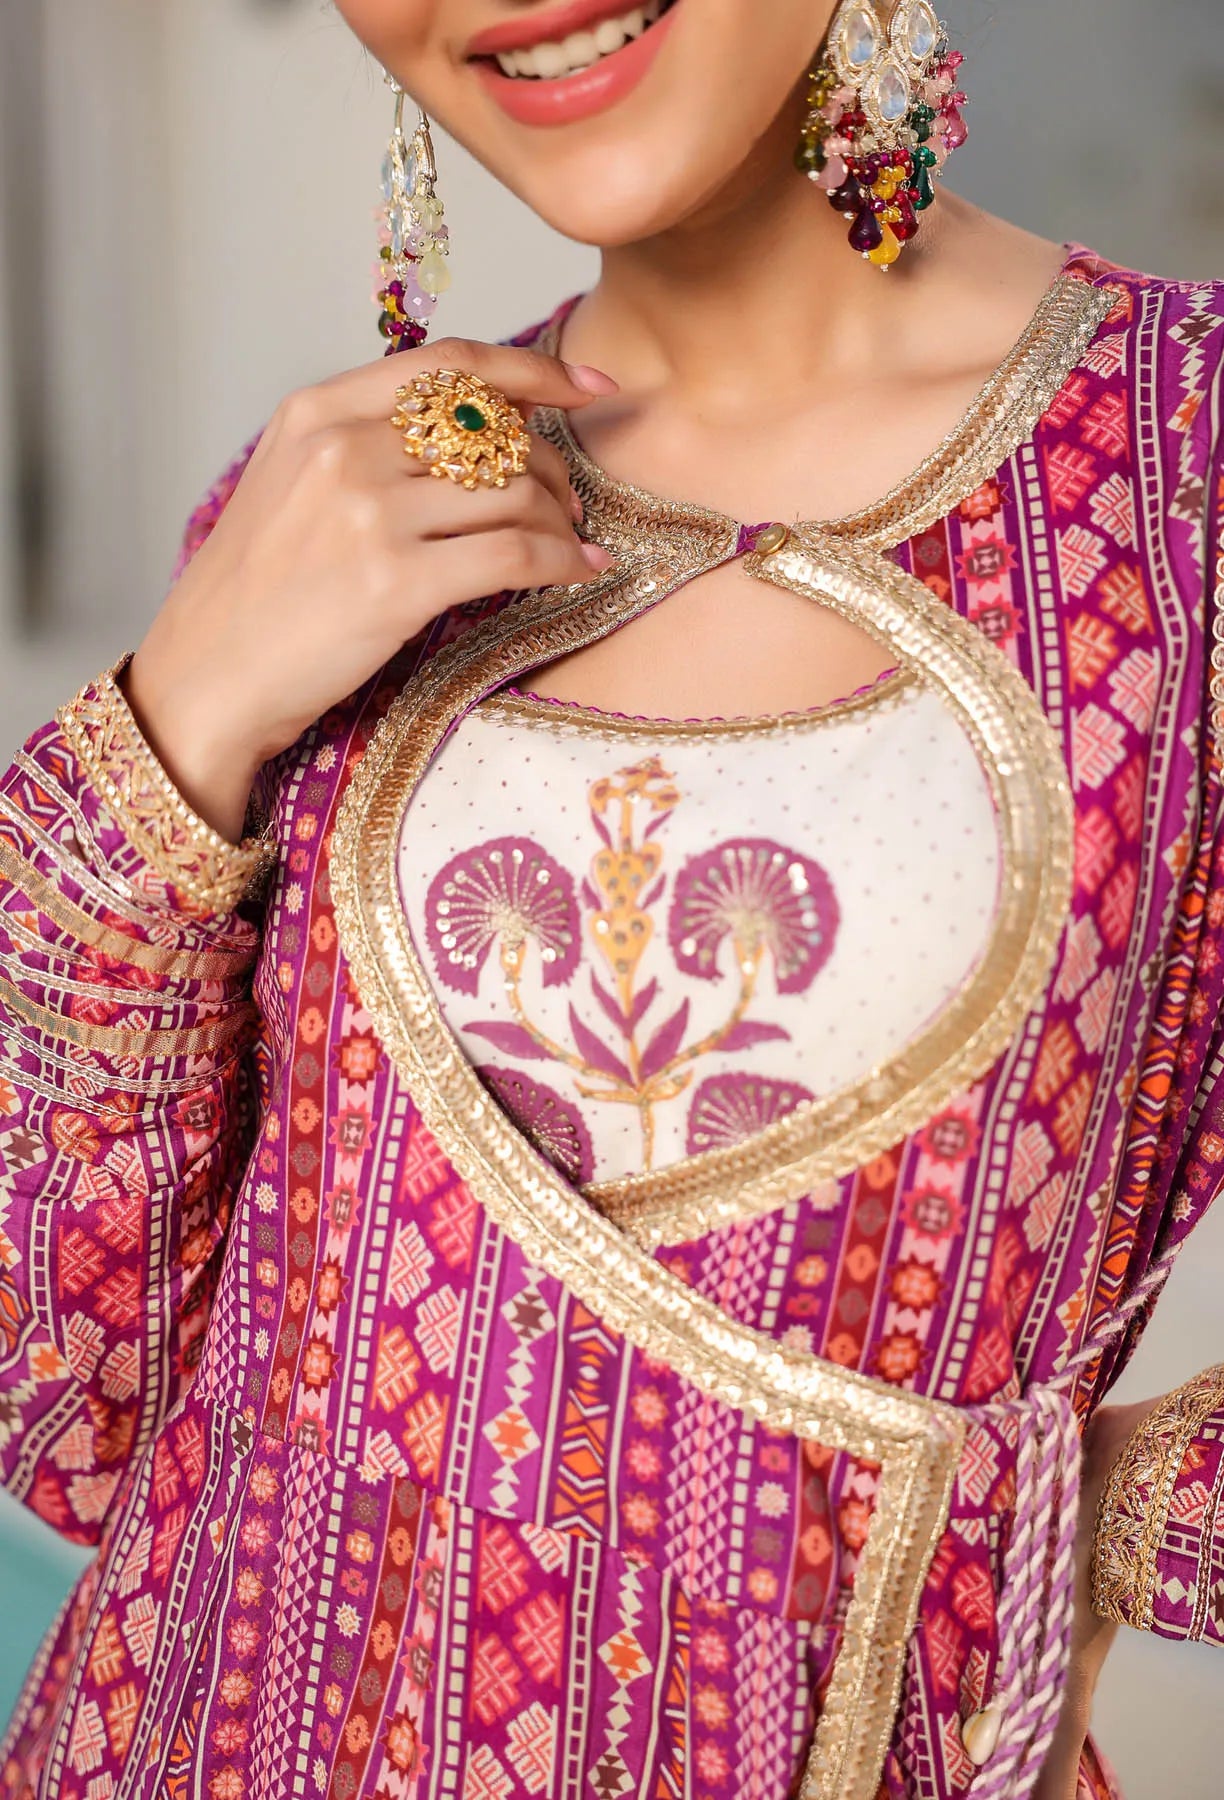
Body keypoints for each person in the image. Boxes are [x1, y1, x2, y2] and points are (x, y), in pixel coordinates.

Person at [1, 2, 1221, 1796]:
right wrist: (175, 718)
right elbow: (78, 1407)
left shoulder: (1181, 480)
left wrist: (1076, 1523)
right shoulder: (331, 508)